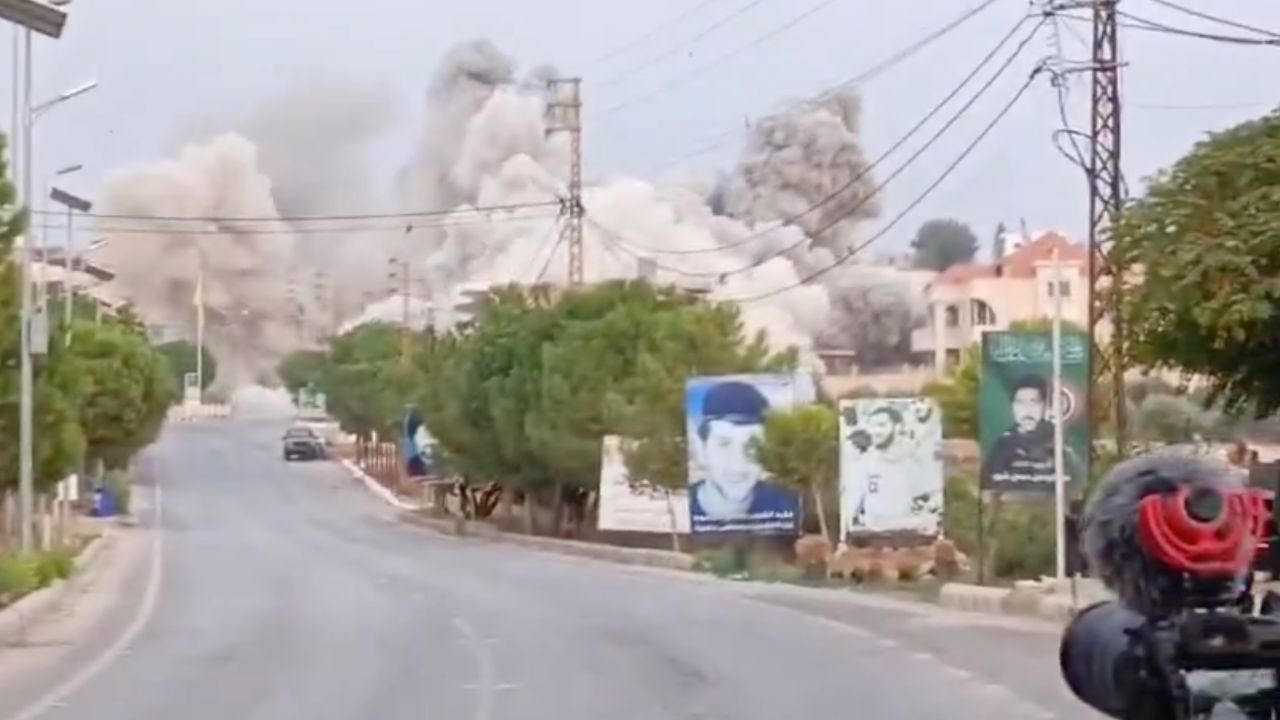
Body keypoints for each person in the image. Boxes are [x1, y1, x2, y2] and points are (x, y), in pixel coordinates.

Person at [688, 380, 794, 525]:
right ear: (701, 449)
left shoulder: (785, 504)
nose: (737, 464)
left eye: (752, 446)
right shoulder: (684, 507)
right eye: (724, 444)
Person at [981, 374, 1083, 488]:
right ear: (1013, 407)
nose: (1027, 410)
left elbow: (1075, 485)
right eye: (1020, 402)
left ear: (1046, 406)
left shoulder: (1059, 445)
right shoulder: (1002, 446)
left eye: (1034, 402)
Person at [846, 405, 928, 532]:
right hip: (872, 538)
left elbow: (927, 501)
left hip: (909, 537)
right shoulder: (864, 463)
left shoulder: (915, 461)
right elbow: (852, 504)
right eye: (872, 426)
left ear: (898, 427)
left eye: (882, 425)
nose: (876, 431)